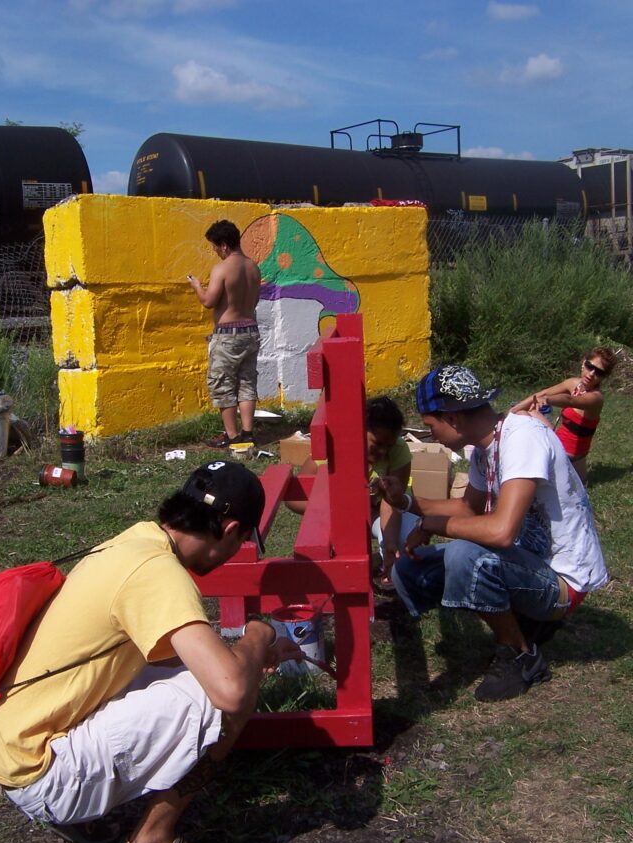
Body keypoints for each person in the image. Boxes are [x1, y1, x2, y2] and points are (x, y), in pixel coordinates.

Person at [0, 461, 301, 843]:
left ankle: (88, 816)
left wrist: (248, 658)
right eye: (244, 539)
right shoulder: (159, 573)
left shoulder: (134, 542)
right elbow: (230, 689)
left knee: (204, 674)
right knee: (222, 699)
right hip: (42, 773)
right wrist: (258, 635)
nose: (238, 550)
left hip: (17, 747)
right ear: (229, 529)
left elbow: (178, 655)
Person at [381, 364, 608, 702]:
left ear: (452, 419)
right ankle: (523, 619)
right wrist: (405, 501)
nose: (432, 436)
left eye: (431, 427)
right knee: (411, 570)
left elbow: (501, 532)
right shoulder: (488, 446)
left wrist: (430, 525)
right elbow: (466, 509)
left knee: (464, 556)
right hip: (530, 562)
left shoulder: (522, 437)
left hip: (564, 580)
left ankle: (521, 655)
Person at [285, 396, 418, 584]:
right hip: (336, 510)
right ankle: (332, 576)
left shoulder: (399, 450)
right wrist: (331, 511)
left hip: (379, 511)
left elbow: (392, 503)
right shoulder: (332, 449)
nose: (383, 452)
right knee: (330, 537)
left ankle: (391, 569)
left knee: (409, 533)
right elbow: (294, 498)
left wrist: (390, 543)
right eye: (377, 443)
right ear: (359, 429)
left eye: (389, 446)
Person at [188, 220, 262, 449]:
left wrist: (197, 286)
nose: (215, 252)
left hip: (228, 334)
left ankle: (232, 436)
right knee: (247, 382)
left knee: (223, 385)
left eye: (214, 247)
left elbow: (209, 301)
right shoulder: (253, 267)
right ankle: (248, 433)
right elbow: (255, 300)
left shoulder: (222, 269)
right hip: (250, 330)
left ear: (224, 246)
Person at [510, 347, 618, 485]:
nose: (591, 374)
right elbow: (541, 394)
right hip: (558, 442)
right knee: (525, 412)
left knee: (525, 429)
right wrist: (512, 413)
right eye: (589, 366)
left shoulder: (596, 398)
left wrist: (548, 399)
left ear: (604, 377)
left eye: (598, 372)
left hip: (569, 458)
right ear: (583, 363)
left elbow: (570, 400)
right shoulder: (573, 383)